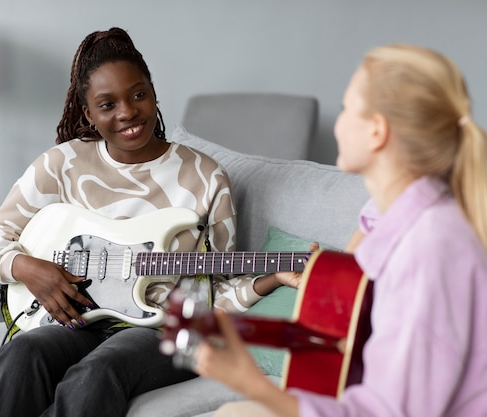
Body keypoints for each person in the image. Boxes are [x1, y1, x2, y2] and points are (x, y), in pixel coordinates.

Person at [0, 27, 304, 417]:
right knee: (21, 354)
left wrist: (272, 277)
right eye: (107, 105)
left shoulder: (205, 177)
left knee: (96, 373)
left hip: (159, 331)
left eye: (138, 94)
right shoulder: (61, 165)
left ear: (153, 93)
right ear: (88, 112)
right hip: (75, 321)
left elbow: (214, 292)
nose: (127, 112)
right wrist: (29, 268)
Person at [192, 43, 487, 417]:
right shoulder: (390, 214)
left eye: (347, 108)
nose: (339, 122)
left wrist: (250, 381)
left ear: (377, 131)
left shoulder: (432, 247)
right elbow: (347, 325)